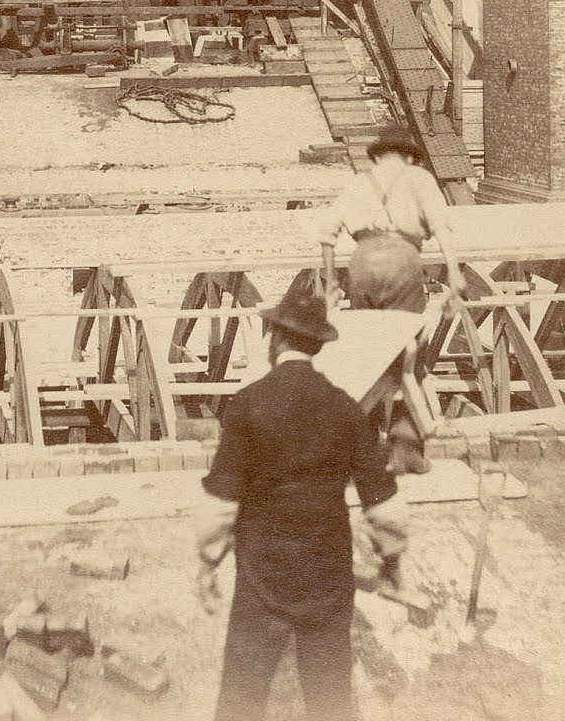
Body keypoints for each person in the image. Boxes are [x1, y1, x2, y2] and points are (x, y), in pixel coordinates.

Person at [195, 291, 408, 721]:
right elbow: (382, 504)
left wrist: (207, 563)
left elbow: (222, 502)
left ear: (275, 339)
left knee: (241, 695)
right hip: (326, 570)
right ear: (316, 346)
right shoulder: (346, 409)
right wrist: (391, 563)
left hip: (262, 569)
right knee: (329, 698)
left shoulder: (247, 404)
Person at [316, 122, 466, 474]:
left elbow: (326, 232)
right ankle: (405, 448)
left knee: (366, 355)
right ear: (408, 155)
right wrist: (454, 271)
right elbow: (442, 227)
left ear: (379, 154)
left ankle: (362, 449)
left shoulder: (357, 182)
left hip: (362, 265)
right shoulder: (419, 179)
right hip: (403, 264)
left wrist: (329, 281)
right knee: (408, 352)